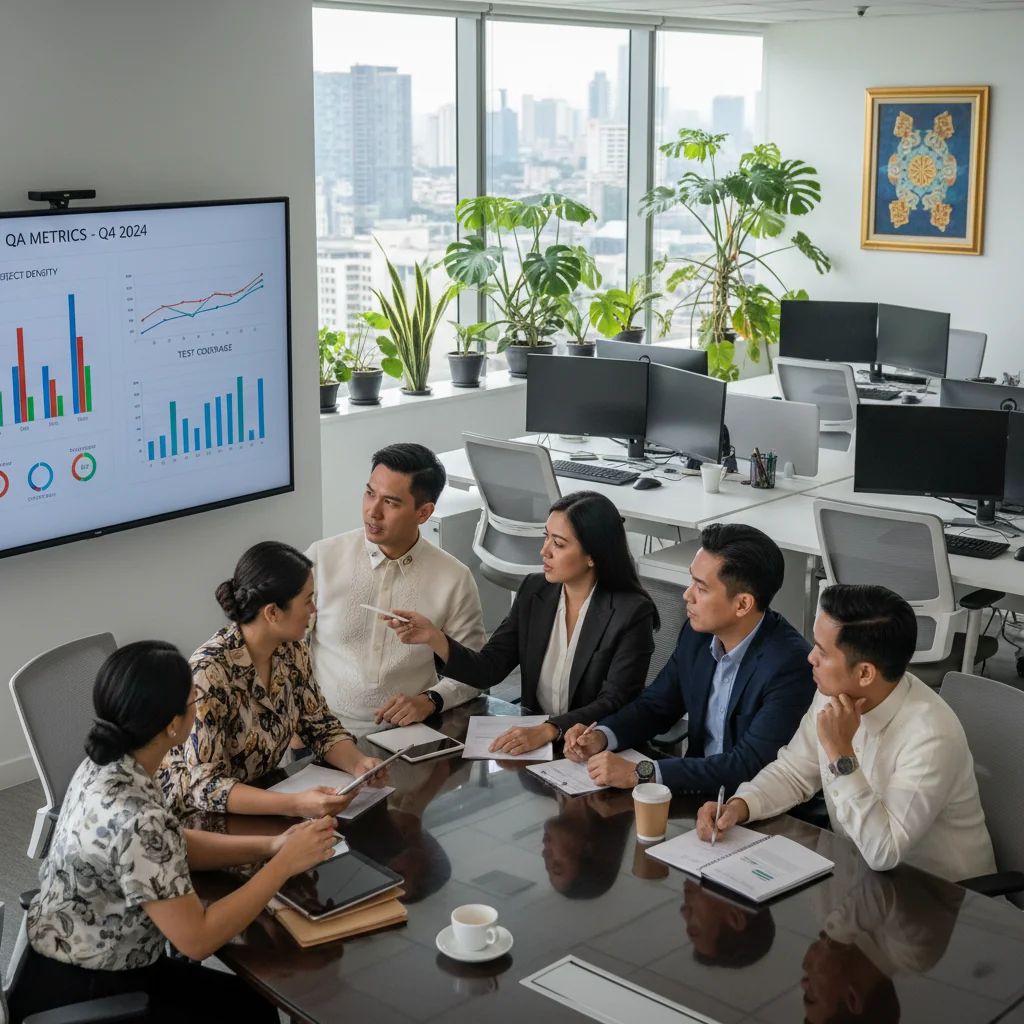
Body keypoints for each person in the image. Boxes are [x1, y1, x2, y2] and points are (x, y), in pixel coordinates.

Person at [9, 641, 338, 1024]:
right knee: (255, 1010)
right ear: (172, 724)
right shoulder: (138, 817)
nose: (198, 707)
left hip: (55, 961)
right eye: (193, 699)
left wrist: (273, 845)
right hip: (92, 988)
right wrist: (283, 865)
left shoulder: (106, 764)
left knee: (251, 1002)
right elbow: (198, 940)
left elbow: (167, 845)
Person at [697, 584, 997, 882]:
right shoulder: (834, 692)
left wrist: (841, 754)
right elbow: (793, 772)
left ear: (865, 673)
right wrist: (740, 806)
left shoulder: (931, 737)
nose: (810, 657)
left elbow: (884, 851)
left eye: (822, 651)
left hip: (942, 894)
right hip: (859, 875)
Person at [383, 491, 659, 755]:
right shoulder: (535, 591)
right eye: (546, 537)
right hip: (537, 746)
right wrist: (435, 637)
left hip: (596, 746)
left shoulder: (632, 612)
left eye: (558, 544)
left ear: (592, 556)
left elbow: (613, 702)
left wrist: (550, 729)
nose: (544, 551)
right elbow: (490, 669)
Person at [564, 523, 815, 794]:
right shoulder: (698, 635)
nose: (687, 594)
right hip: (692, 790)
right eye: (691, 580)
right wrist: (602, 736)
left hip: (750, 803)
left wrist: (641, 773)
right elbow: (656, 706)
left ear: (742, 604)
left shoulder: (790, 666)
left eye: (701, 587)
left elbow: (748, 766)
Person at [159, 541, 384, 817]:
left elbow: (320, 727)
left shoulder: (292, 651)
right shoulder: (209, 672)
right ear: (273, 612)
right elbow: (206, 787)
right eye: (307, 600)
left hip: (262, 802)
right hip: (194, 820)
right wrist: (296, 804)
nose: (314, 609)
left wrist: (359, 765)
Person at [306, 442, 486, 728]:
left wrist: (430, 700)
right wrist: (293, 719)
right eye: (370, 493)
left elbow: (476, 674)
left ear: (424, 513)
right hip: (320, 727)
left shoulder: (454, 578)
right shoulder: (321, 557)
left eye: (390, 502)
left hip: (408, 733)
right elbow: (280, 647)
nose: (373, 511)